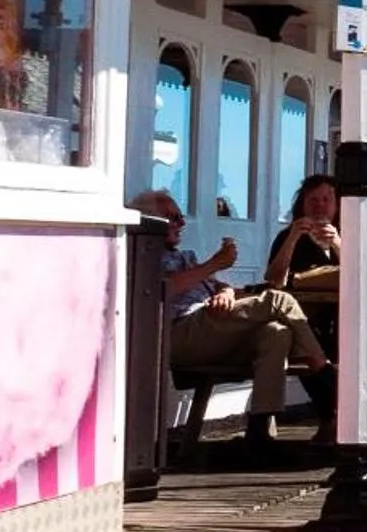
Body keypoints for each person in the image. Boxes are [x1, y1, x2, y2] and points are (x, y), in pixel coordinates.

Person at [134, 189, 331, 458]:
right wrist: (214, 264)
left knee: (276, 332)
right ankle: (325, 377)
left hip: (210, 328)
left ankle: (259, 432)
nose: (180, 223)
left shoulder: (185, 256)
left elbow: (216, 284)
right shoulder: (143, 253)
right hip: (179, 332)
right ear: (149, 220)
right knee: (278, 300)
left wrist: (225, 292)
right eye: (172, 218)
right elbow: (161, 289)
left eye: (180, 217)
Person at [262, 172, 344, 435]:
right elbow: (274, 281)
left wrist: (338, 244)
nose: (320, 206)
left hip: (346, 319)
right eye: (313, 200)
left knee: (351, 347)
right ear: (302, 204)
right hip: (308, 319)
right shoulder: (287, 236)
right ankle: (333, 418)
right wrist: (292, 239)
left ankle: (337, 420)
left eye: (326, 199)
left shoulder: (351, 232)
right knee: (304, 345)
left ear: (337, 205)